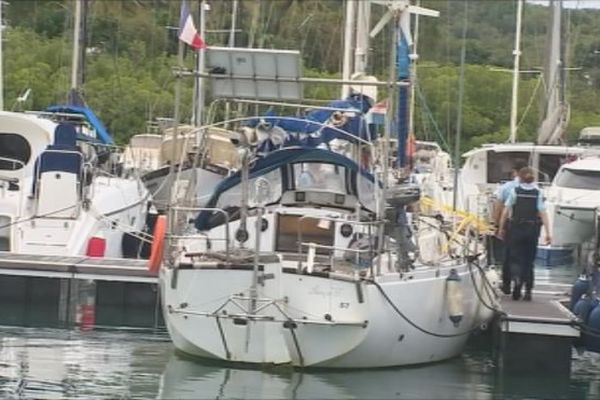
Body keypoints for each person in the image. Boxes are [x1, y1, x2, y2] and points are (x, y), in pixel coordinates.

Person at [498, 167, 551, 301]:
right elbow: (543, 213)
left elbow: (506, 211)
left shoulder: (515, 191)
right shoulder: (538, 192)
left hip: (516, 228)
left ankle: (516, 280)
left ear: (520, 178)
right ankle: (528, 290)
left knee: (515, 258)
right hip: (532, 229)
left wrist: (500, 228)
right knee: (529, 260)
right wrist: (548, 232)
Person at [493, 160, 527, 294]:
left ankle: (507, 284)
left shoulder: (507, 187)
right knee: (523, 256)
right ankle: (522, 282)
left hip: (511, 225)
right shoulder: (534, 188)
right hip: (528, 227)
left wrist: (496, 225)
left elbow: (499, 207)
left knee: (508, 255)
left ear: (515, 172)